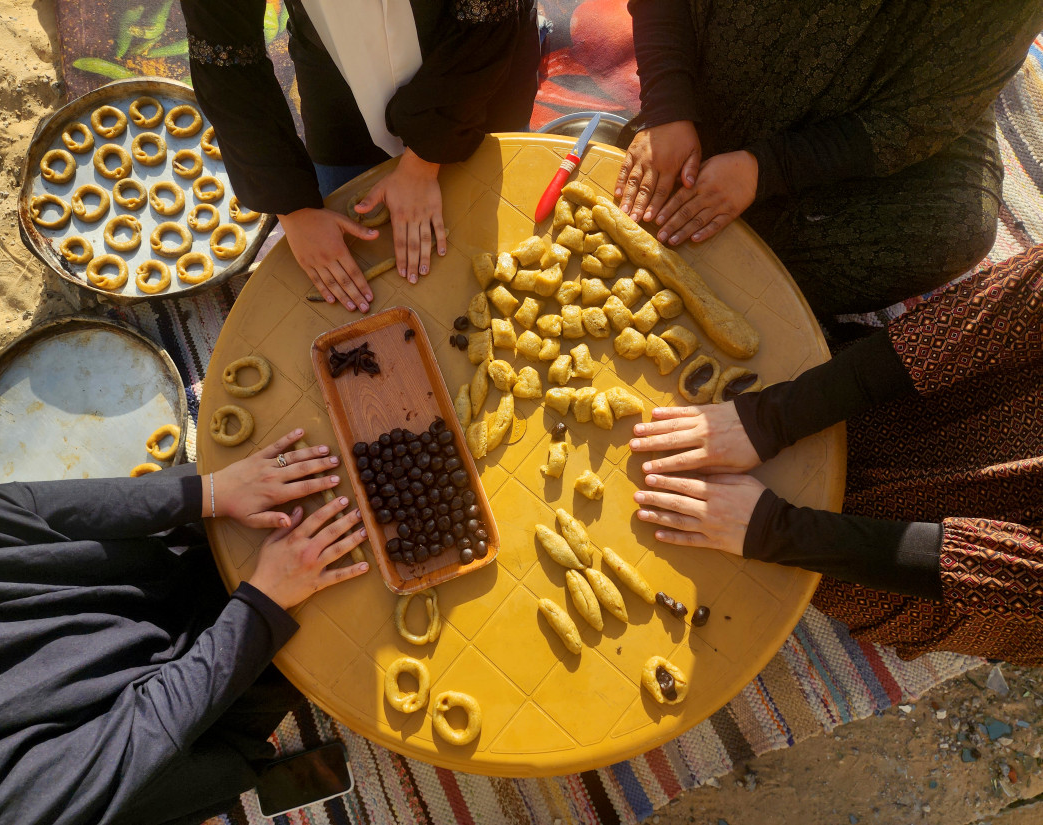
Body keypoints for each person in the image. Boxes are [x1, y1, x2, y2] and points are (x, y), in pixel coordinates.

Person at [628, 244, 1043, 665]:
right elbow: (1018, 299)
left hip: (973, 579)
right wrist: (778, 416)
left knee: (784, 573)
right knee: (803, 385)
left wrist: (779, 533)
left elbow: (1017, 574)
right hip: (976, 395)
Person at [0, 430, 367, 825]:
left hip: (144, 568)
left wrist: (211, 492)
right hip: (185, 710)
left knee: (315, 462)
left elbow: (30, 507)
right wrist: (264, 605)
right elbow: (139, 741)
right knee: (352, 614)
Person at [615, 0, 1043, 319]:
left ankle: (726, 243)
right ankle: (708, 204)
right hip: (752, 49)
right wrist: (667, 104)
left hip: (898, 92)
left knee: (957, 226)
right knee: (704, 137)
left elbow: (925, 116)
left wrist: (768, 169)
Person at [180, 0, 540, 313]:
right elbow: (223, 52)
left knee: (508, 240)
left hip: (475, 59)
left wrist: (423, 161)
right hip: (338, 74)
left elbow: (488, 14)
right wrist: (293, 208)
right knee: (353, 262)